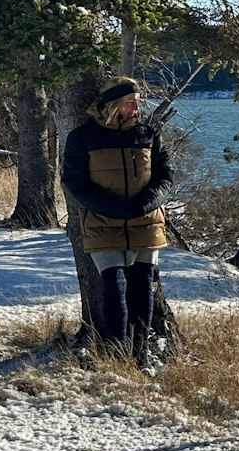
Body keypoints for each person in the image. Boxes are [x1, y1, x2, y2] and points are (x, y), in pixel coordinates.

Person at [61, 77, 173, 370]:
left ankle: (140, 356)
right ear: (113, 104)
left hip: (146, 222)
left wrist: (144, 204)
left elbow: (165, 177)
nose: (136, 107)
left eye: (137, 101)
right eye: (130, 101)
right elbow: (74, 181)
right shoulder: (83, 137)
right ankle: (117, 354)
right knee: (114, 286)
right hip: (102, 223)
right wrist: (112, 207)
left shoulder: (148, 134)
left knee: (142, 288)